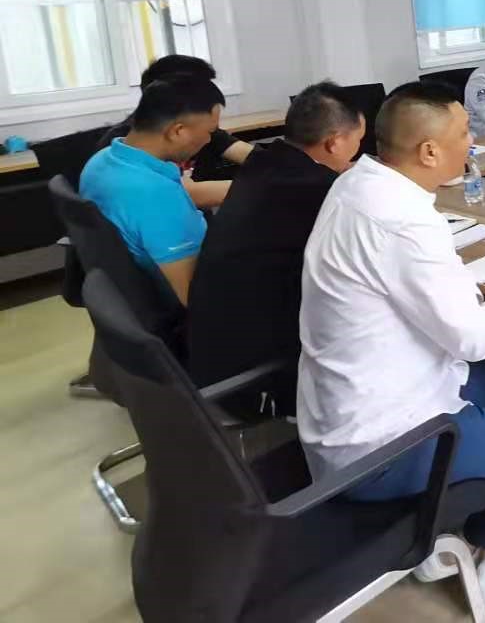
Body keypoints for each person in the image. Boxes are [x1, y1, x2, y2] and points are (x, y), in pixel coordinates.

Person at [299, 82, 485, 610]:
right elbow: (474, 340)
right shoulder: (404, 222)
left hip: (344, 417)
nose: (472, 140)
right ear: (429, 151)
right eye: (464, 132)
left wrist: (471, 311)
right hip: (380, 449)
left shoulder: (358, 183)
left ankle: (443, 524)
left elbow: (411, 290)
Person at [186, 83, 366, 399]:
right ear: (335, 142)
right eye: (358, 141)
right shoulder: (323, 193)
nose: (358, 151)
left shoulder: (266, 163)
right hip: (257, 377)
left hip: (210, 352)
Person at [79, 75, 224, 305]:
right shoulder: (157, 194)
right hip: (181, 301)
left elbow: (184, 193)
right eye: (210, 131)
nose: (209, 140)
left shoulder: (103, 160)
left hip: (134, 294)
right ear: (178, 131)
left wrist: (255, 189)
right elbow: (199, 301)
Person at [98, 54, 252, 209]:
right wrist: (256, 186)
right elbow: (174, 194)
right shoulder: (125, 147)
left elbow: (247, 154)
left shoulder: (201, 129)